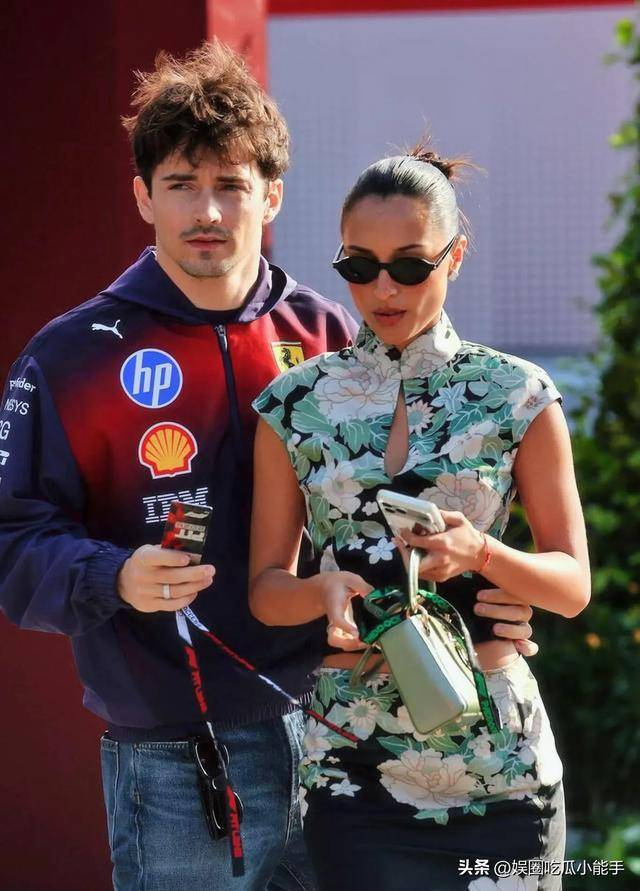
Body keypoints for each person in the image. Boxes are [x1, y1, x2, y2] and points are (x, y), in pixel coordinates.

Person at [0, 42, 537, 890]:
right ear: (143, 196)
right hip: (178, 761)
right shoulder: (73, 357)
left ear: (273, 195)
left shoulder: (330, 338)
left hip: (353, 733)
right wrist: (114, 575)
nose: (207, 210)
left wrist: (489, 602)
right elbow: (13, 539)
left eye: (232, 184)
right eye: (181, 184)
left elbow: (411, 514)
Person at [249, 144, 591, 890]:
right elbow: (267, 589)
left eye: (409, 265)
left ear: (454, 257)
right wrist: (321, 591)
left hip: (501, 767)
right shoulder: (293, 404)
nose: (383, 288)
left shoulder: (518, 394)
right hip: (352, 764)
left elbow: (571, 585)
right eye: (359, 266)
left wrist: (483, 554)